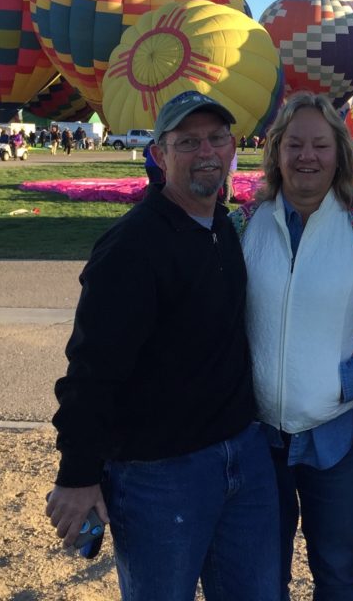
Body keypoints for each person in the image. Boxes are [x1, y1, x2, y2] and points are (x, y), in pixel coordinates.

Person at [45, 90, 280, 600]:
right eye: (188, 141)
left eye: (217, 139)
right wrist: (79, 474)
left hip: (242, 451)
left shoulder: (223, 225)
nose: (206, 152)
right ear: (160, 153)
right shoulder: (132, 249)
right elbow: (91, 369)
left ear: (233, 146)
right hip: (159, 473)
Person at [230, 91, 353, 600]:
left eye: (319, 145)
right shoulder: (242, 225)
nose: (306, 156)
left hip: (339, 433)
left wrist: (343, 383)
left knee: (336, 569)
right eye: (294, 145)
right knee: (264, 571)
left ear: (340, 155)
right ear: (276, 152)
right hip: (258, 434)